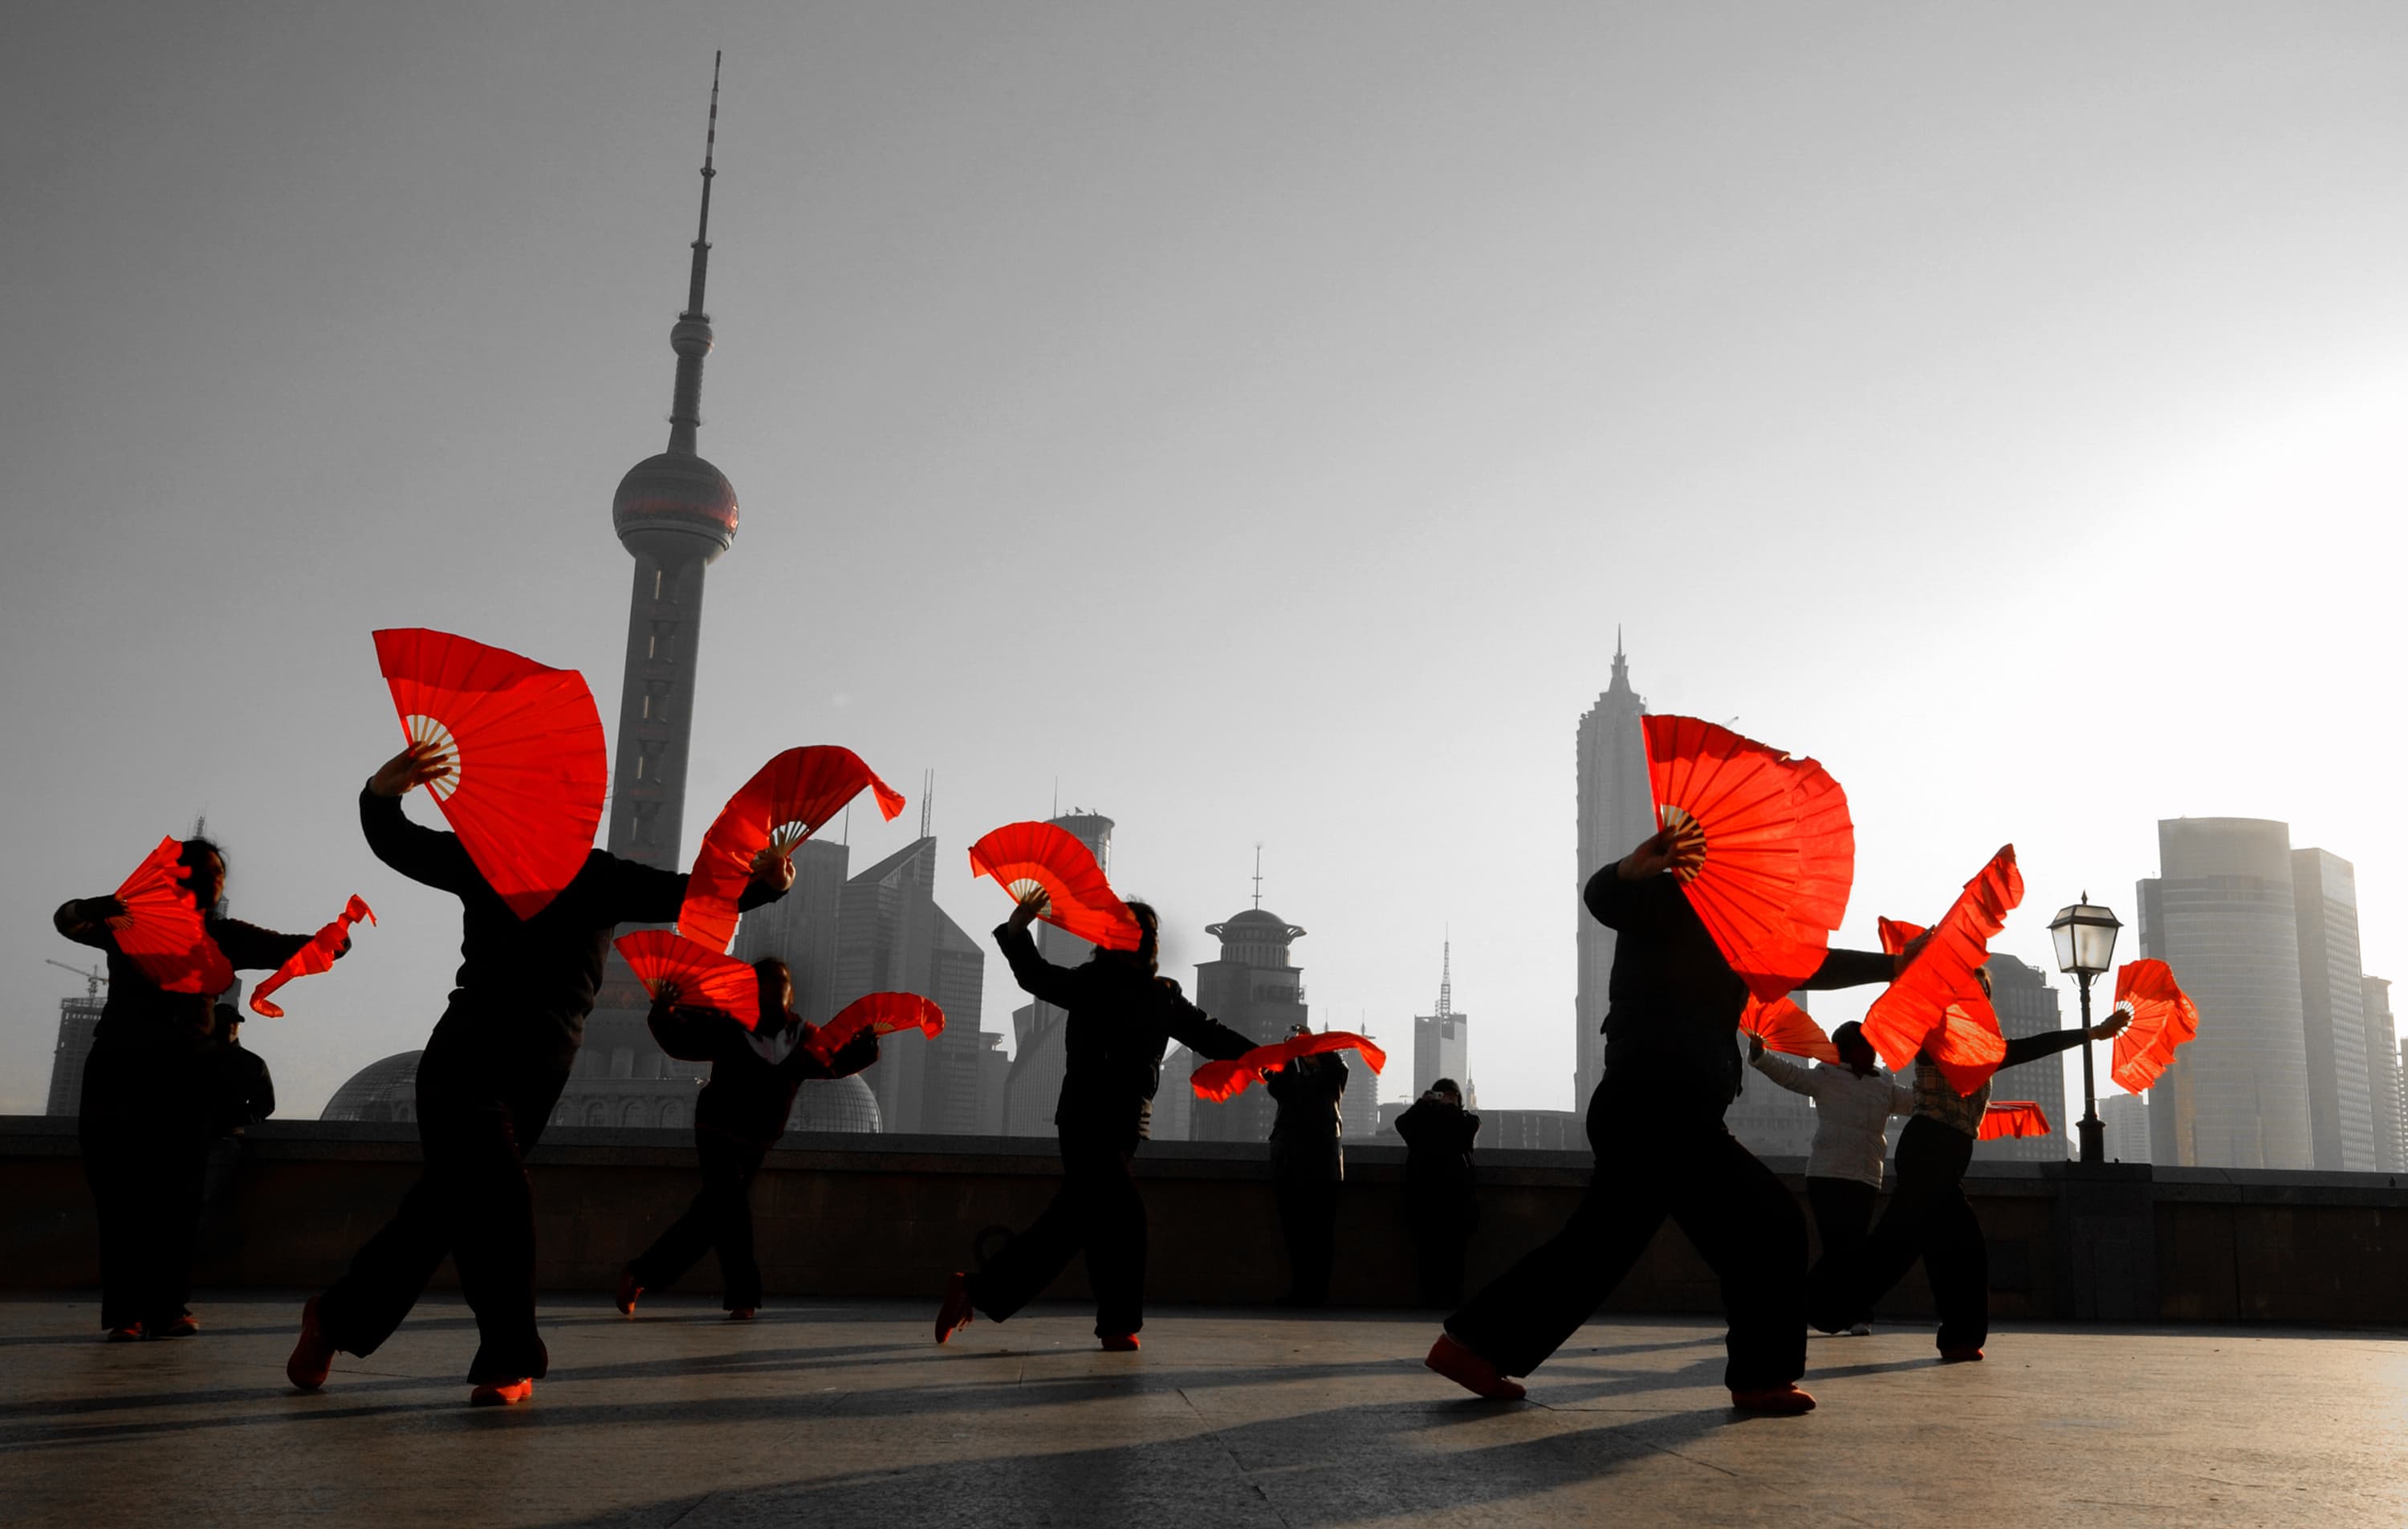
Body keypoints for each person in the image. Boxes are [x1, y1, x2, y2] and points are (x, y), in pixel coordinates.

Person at [287, 741, 792, 1406]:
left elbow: (690, 892)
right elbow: (399, 843)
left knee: (437, 1212)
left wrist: (766, 883)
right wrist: (381, 792)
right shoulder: (487, 856)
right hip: (464, 1061)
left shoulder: (602, 875)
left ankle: (335, 1317)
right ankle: (508, 1355)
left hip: (536, 1080)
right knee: (501, 1199)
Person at [1426, 824, 1913, 1414]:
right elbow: (1606, 900)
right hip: (1661, 1105)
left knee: (1598, 1247)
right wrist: (1632, 867)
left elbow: (1808, 963)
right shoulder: (1672, 899)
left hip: (1651, 1107)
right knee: (1770, 1225)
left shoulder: (1737, 932)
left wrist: (1894, 965)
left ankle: (1472, 1347)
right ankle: (1761, 1377)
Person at [934, 895, 1256, 1351]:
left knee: (1073, 1224)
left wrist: (1266, 1058)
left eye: (1141, 931)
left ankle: (978, 1289)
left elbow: (1209, 1035)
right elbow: (1036, 976)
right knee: (1125, 1217)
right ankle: (1117, 1325)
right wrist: (1016, 929)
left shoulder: (1162, 995)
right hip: (1086, 1122)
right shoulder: (1094, 983)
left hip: (1125, 1127)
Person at [55, 838, 321, 1342]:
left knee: (178, 1195)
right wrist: (91, 907)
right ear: (171, 877)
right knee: (120, 1195)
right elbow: (67, 921)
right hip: (120, 1068)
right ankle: (128, 1314)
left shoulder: (222, 933)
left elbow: (288, 947)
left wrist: (332, 939)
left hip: (186, 1073)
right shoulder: (128, 923)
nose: (210, 877)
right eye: (199, 869)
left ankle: (167, 1308)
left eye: (216, 871)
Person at [1808, 969, 2129, 1360]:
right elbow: (2016, 1049)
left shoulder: (1980, 1045)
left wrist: (2091, 1033)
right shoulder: (1936, 1034)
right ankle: (1817, 1307)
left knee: (1948, 1246)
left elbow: (2021, 1048)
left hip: (1946, 1153)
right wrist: (2089, 1033)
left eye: (1983, 994)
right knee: (1911, 1245)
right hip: (1930, 1149)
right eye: (1971, 991)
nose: (1980, 999)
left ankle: (1955, 1336)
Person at [616, 958, 879, 1320]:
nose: (775, 992)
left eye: (781, 985)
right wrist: (663, 1013)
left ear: (790, 993)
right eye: (767, 985)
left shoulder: (801, 1037)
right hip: (717, 1132)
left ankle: (641, 1273)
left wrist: (865, 1048)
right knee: (732, 1212)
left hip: (757, 1140)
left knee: (711, 1215)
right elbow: (682, 1040)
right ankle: (743, 1298)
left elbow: (832, 1061)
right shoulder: (728, 1024)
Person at [1746, 1021, 1911, 1335]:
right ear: (1847, 1050)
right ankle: (1846, 1313)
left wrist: (1956, 1096)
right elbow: (1792, 1076)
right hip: (1828, 1175)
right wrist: (1762, 1056)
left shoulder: (1884, 1085)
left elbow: (1914, 1102)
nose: (1873, 1050)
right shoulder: (1826, 1076)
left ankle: (1835, 1313)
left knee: (1854, 1248)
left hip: (1866, 1178)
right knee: (1839, 1248)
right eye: (1866, 1045)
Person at [1264, 1024, 1348, 1306]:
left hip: (1321, 1166)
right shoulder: (1291, 1080)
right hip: (1290, 1163)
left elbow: (1339, 1067)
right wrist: (1289, 1054)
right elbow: (1274, 1085)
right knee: (1295, 1233)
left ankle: (1315, 1292)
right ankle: (1302, 1290)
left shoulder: (1331, 1079)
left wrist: (1314, 1043)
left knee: (1319, 1234)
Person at [1393, 1078, 1479, 1307]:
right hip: (1428, 1195)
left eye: (1451, 1097)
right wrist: (1423, 1104)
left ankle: (1451, 1297)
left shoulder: (1467, 1120)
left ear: (1459, 1100)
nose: (1446, 1100)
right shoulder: (1424, 1121)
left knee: (1454, 1253)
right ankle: (1430, 1297)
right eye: (1441, 1095)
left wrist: (1450, 1110)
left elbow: (1464, 1134)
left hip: (1456, 1197)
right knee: (1428, 1252)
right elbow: (1402, 1124)